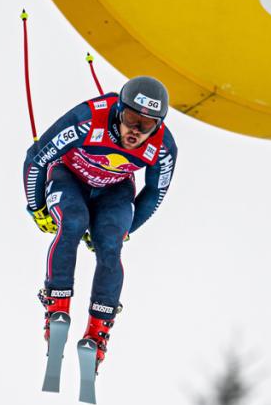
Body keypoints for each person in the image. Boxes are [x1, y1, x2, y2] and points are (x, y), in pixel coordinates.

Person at [22, 75, 178, 370]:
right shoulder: (88, 118)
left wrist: (127, 230)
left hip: (114, 191)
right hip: (70, 177)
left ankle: (99, 329)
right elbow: (36, 158)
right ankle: (56, 306)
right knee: (74, 223)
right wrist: (37, 206)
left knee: (110, 247)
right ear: (119, 109)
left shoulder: (164, 147)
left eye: (147, 126)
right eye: (132, 118)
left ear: (158, 125)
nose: (135, 131)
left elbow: (156, 191)